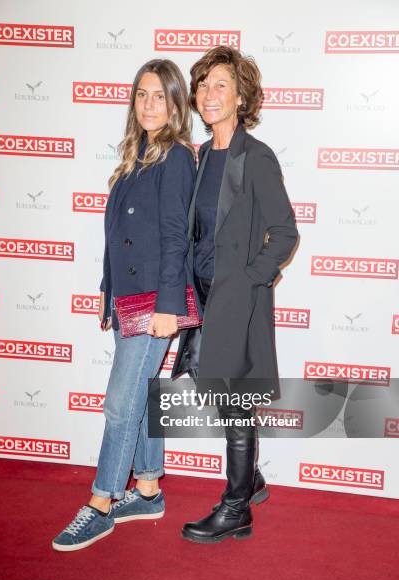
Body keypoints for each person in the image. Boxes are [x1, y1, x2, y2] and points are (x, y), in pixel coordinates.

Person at [52, 59, 196, 551]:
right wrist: (105, 290)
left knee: (120, 404)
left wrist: (168, 307)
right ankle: (149, 489)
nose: (149, 104)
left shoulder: (176, 157)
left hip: (156, 301)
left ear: (176, 104)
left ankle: (102, 502)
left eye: (160, 95)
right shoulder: (136, 158)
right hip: (127, 298)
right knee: (141, 394)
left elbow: (177, 238)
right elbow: (120, 237)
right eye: (141, 95)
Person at [172, 46, 298, 543]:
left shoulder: (256, 158)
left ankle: (235, 507)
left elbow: (284, 233)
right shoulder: (200, 157)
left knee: (236, 402)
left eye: (220, 84)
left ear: (242, 96)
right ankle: (253, 482)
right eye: (203, 85)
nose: (208, 94)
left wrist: (250, 279)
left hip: (238, 299)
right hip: (202, 299)